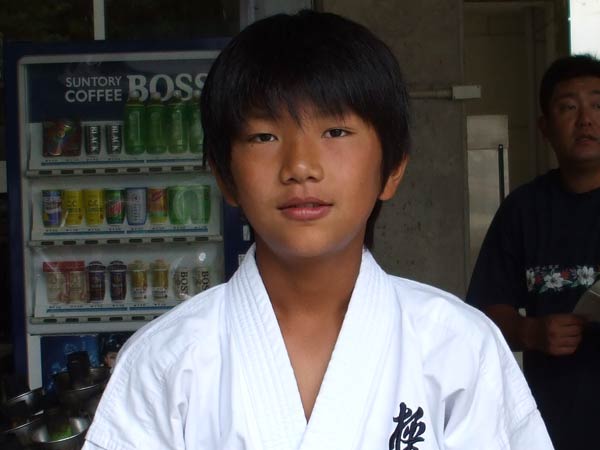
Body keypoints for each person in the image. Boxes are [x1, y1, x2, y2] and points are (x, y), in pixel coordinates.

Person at [83, 11, 552, 450]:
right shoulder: (165, 362)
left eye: (335, 132)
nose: (301, 166)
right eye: (264, 136)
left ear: (391, 169)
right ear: (225, 177)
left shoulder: (458, 347)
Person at [466, 53, 600, 450]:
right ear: (545, 127)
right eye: (568, 107)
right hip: (550, 427)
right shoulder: (523, 210)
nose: (586, 120)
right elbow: (482, 317)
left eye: (598, 105)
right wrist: (531, 332)